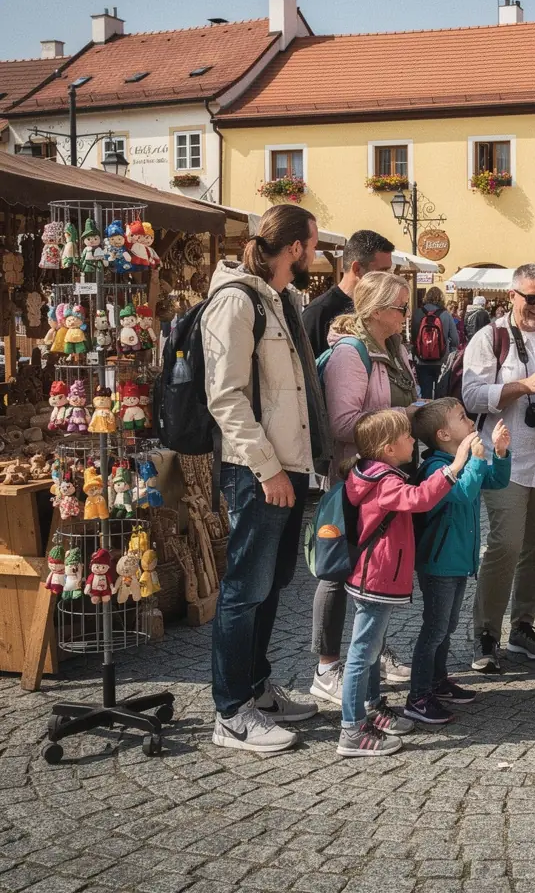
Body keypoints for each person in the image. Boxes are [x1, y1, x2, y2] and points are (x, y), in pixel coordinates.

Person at [203, 204, 330, 754]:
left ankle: (256, 688)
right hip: (257, 470)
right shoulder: (237, 300)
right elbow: (226, 397)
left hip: (288, 467)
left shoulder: (277, 300)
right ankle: (231, 713)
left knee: (271, 587)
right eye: (315, 243)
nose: (318, 254)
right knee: (243, 590)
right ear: (295, 248)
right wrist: (267, 466)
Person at [461, 263, 535, 671]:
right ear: (511, 295)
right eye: (531, 298)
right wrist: (521, 387)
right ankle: (485, 633)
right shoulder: (489, 337)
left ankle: (523, 627)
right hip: (505, 458)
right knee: (505, 545)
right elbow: (473, 396)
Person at [336, 409, 476, 757]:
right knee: (362, 653)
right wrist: (455, 465)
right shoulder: (384, 481)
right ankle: (351, 731)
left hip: (374, 575)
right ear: (387, 448)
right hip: (377, 576)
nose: (414, 441)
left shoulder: (374, 471)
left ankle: (371, 708)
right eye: (407, 437)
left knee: (370, 650)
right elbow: (420, 499)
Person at [310, 271, 417, 705]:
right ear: (375, 312)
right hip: (354, 479)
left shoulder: (392, 348)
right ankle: (328, 666)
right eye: (400, 308)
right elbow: (340, 424)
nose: (405, 315)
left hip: (385, 476)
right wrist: (404, 415)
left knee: (374, 567)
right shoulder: (350, 355)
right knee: (339, 569)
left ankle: (370, 651)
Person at [405, 401, 512, 724]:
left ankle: (438, 682)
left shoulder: (457, 459)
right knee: (435, 629)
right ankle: (418, 696)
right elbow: (463, 493)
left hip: (458, 559)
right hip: (439, 562)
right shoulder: (438, 467)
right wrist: (476, 460)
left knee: (447, 625)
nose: (470, 422)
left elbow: (494, 482)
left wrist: (501, 453)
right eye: (462, 418)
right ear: (444, 434)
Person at [302, 230, 395, 358]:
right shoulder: (318, 313)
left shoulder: (380, 308)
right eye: (382, 271)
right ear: (357, 269)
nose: (388, 277)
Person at [411, 286, 459, 399]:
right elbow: (455, 339)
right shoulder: (446, 314)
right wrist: (449, 352)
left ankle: (426, 415)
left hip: (421, 360)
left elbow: (413, 337)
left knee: (425, 394)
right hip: (442, 361)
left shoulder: (417, 313)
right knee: (441, 395)